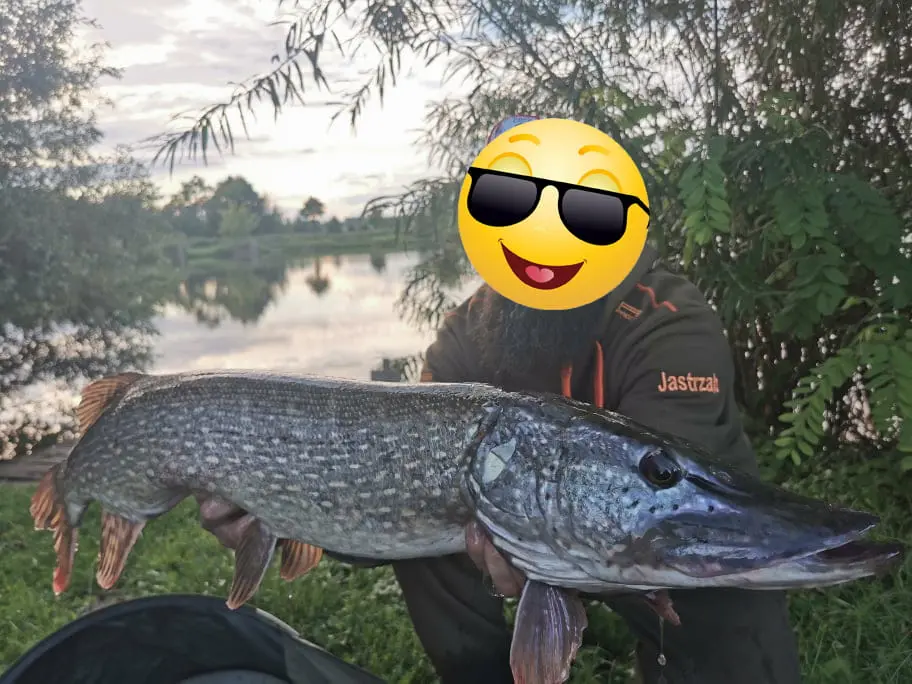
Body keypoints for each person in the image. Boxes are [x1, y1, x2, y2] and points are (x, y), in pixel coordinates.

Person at [195, 121, 803, 684]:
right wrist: (286, 510)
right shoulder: (467, 334)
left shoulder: (665, 321)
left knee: (722, 620)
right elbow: (390, 481)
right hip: (523, 532)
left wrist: (542, 554)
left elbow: (652, 511)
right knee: (429, 531)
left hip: (651, 549)